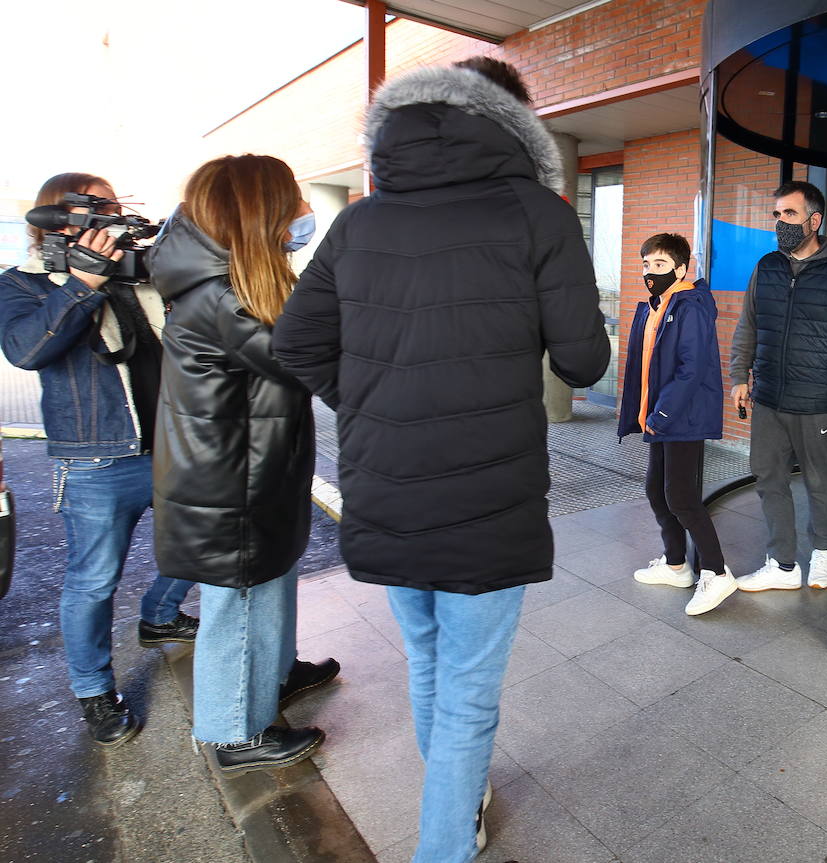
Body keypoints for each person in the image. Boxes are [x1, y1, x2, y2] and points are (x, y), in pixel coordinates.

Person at [272, 58, 609, 862]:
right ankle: (447, 836)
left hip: (386, 487)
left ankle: (458, 797)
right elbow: (585, 364)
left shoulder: (360, 221)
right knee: (467, 693)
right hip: (490, 496)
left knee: (427, 658)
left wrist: (368, 401)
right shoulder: (540, 213)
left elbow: (294, 343)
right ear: (514, 123)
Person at [146, 154, 338, 773]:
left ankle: (274, 677)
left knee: (270, 583)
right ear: (260, 212)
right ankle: (234, 732)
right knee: (241, 600)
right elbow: (309, 359)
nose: (303, 212)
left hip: (252, 471)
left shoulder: (233, 278)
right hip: (228, 484)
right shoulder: (220, 295)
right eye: (293, 199)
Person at [0, 173, 197, 747]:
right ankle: (93, 690)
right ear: (59, 221)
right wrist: (83, 280)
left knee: (198, 543)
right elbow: (28, 350)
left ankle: (160, 612)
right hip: (95, 458)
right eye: (101, 207)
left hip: (174, 443)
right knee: (92, 582)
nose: (114, 217)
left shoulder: (140, 273)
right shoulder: (25, 284)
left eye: (115, 206)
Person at [729, 180, 827, 591]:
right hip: (770, 397)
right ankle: (782, 565)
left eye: (789, 214)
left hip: (818, 400)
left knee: (818, 480)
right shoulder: (767, 266)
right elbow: (748, 326)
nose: (780, 222)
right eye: (777, 215)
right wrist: (740, 375)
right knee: (768, 479)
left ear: (815, 220)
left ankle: (823, 554)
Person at [620, 233, 735, 615]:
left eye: (659, 265)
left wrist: (664, 413)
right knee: (657, 490)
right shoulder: (658, 305)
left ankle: (717, 574)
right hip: (661, 417)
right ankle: (676, 565)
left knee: (681, 498)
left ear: (681, 269)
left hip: (681, 416)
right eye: (647, 264)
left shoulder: (691, 306)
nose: (649, 272)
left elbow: (691, 368)